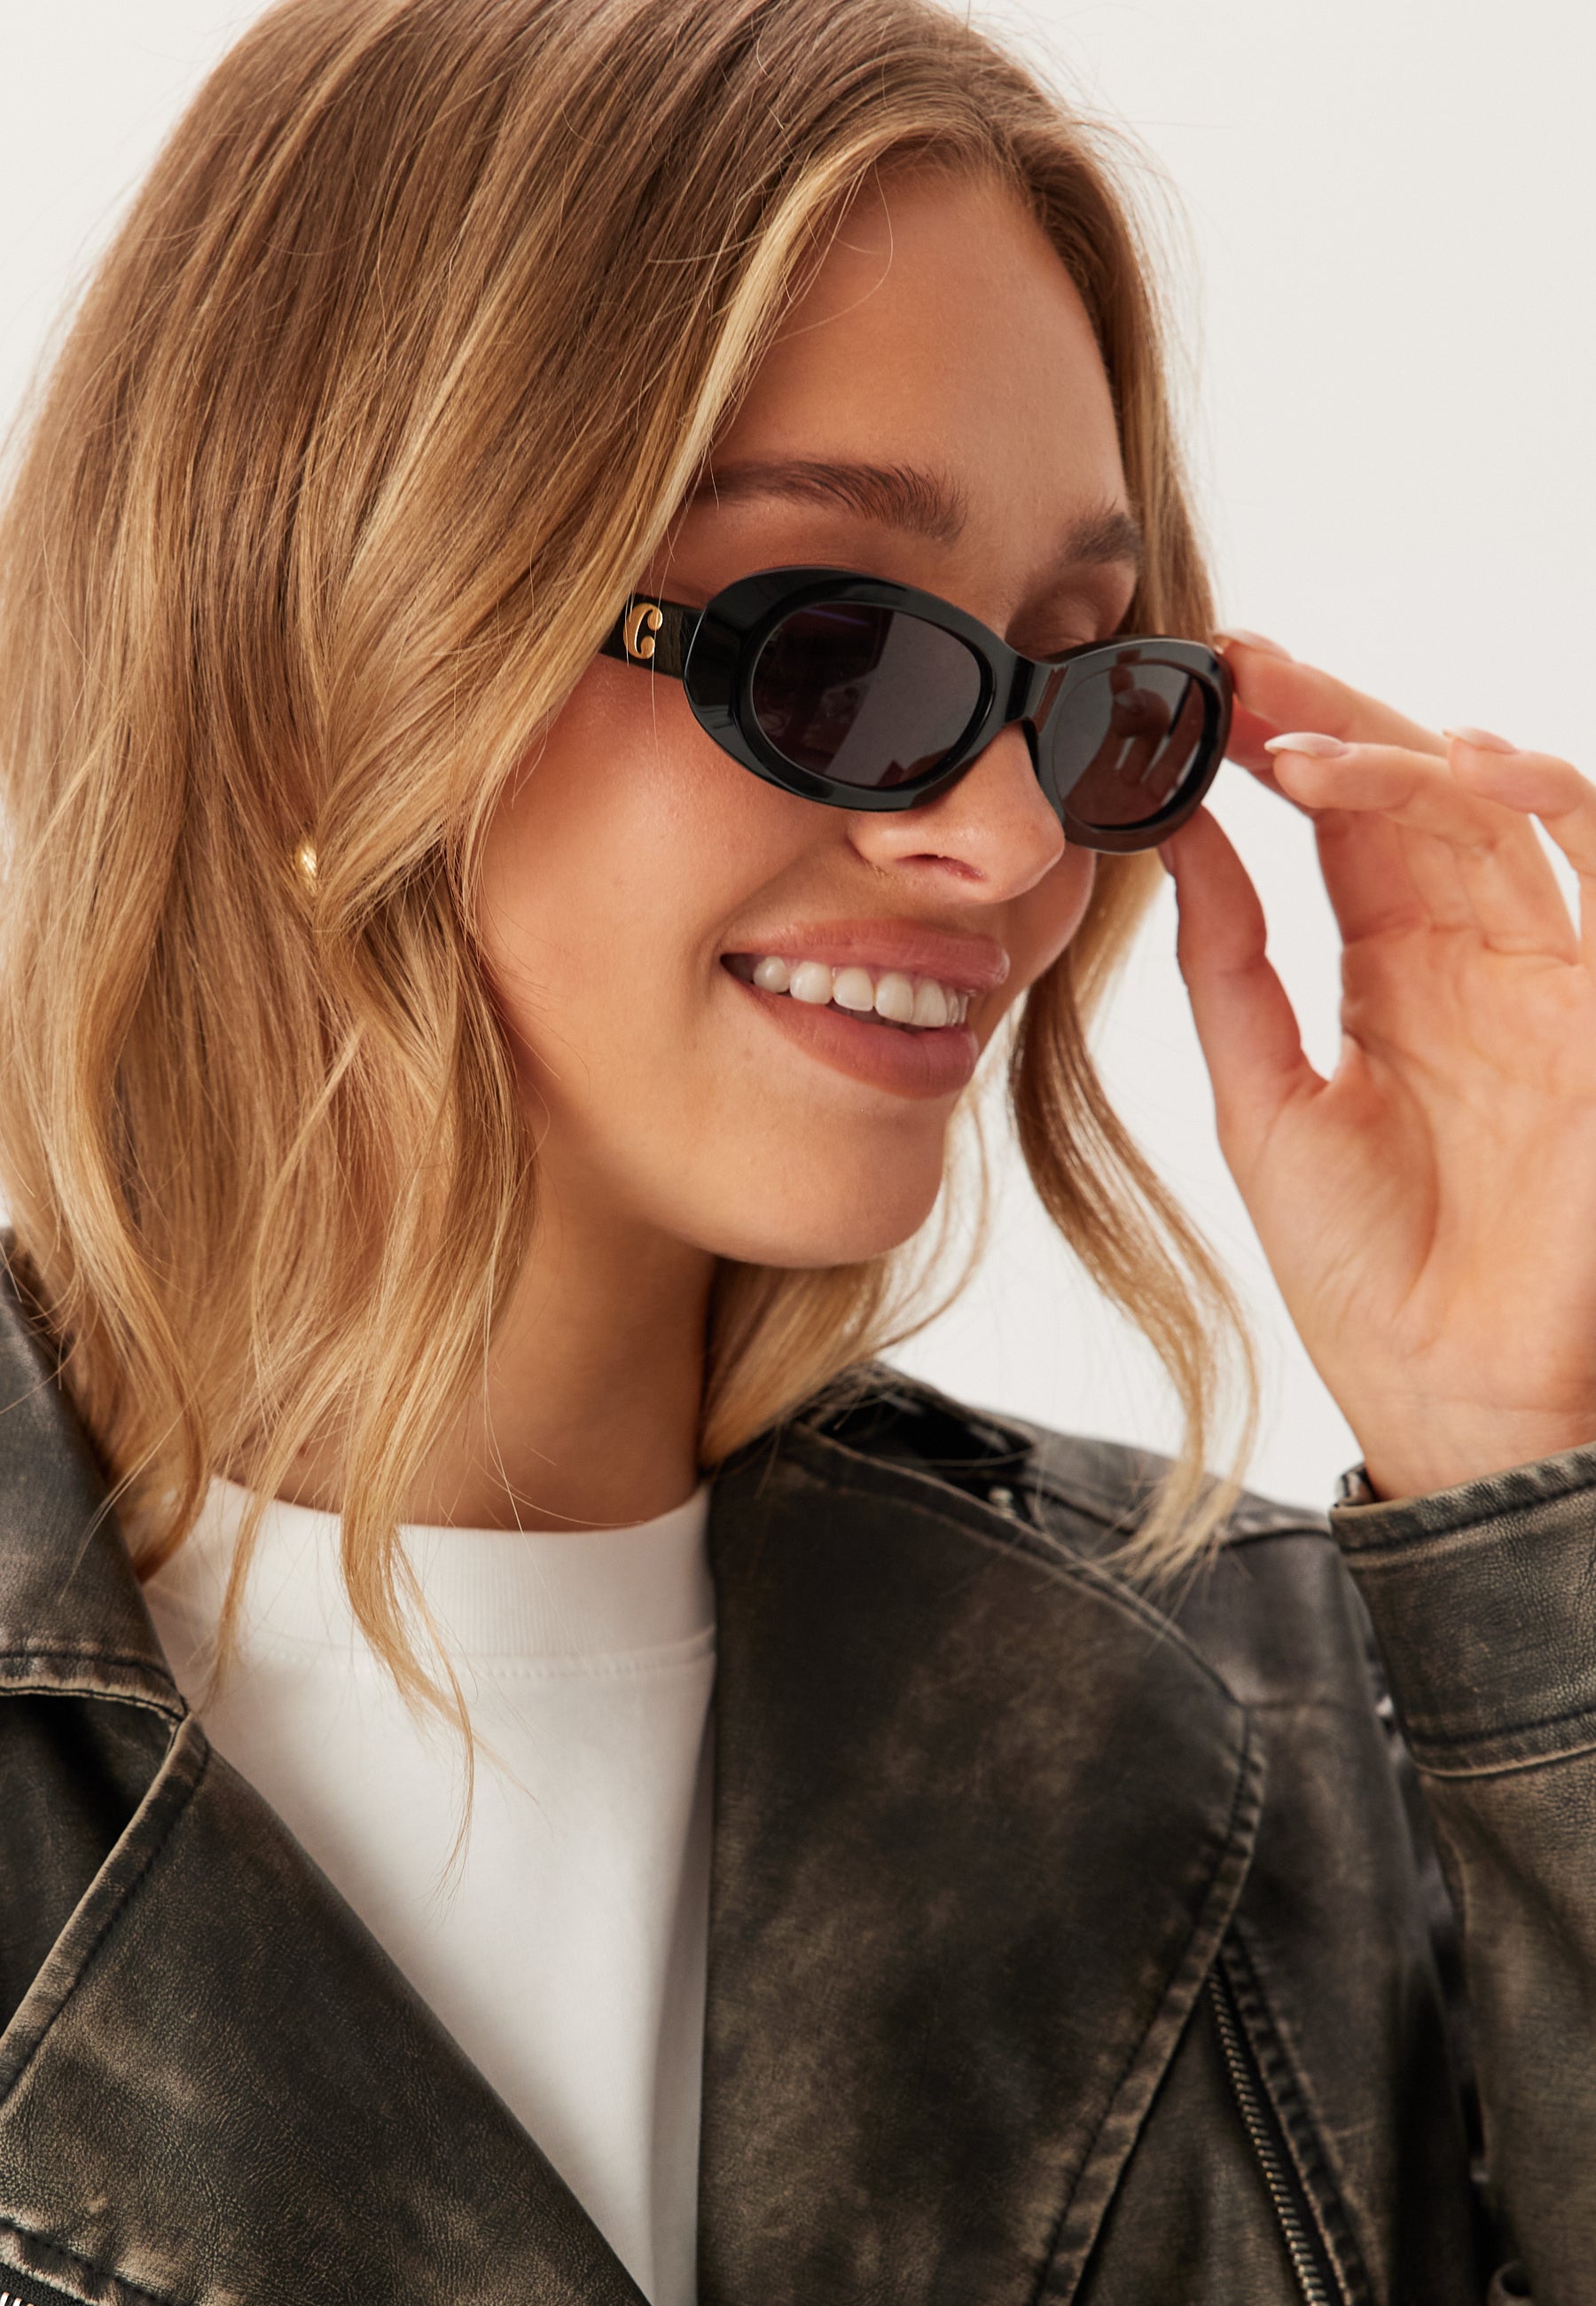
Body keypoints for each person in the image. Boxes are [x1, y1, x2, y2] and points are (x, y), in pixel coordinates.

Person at [0, 0, 1592, 2297]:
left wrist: (1528, 1477)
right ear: (314, 623)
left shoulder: (1315, 1739)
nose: (1012, 845)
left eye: (1085, 682)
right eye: (836, 649)